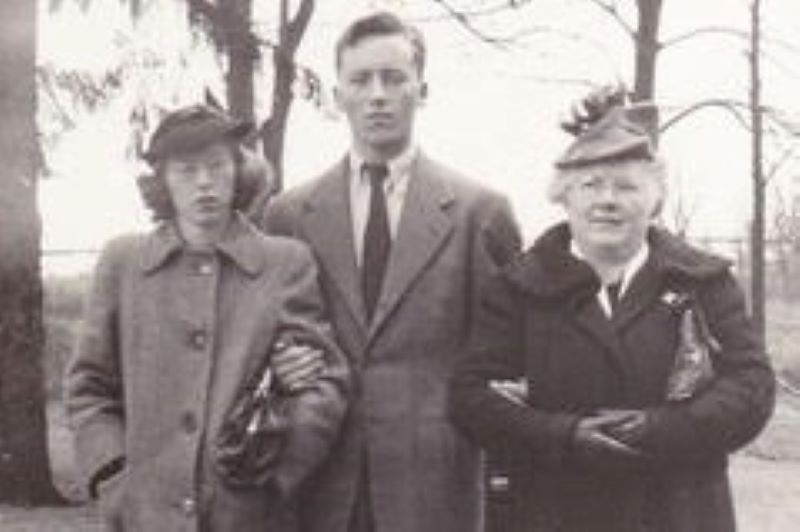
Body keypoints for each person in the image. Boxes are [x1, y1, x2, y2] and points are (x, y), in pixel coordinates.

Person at [450, 88, 775, 532]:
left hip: (678, 513)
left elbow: (752, 387)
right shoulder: (517, 288)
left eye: (626, 186)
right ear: (564, 197)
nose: (607, 200)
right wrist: (562, 435)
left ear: (655, 198)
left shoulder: (703, 282)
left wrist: (661, 428)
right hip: (551, 512)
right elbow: (469, 397)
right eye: (590, 185)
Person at [261, 11, 520, 532]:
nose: (377, 95)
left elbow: (504, 358)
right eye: (360, 80)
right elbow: (264, 337)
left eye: (394, 78)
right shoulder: (288, 214)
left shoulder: (479, 212)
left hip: (435, 485)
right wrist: (279, 366)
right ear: (338, 96)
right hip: (320, 482)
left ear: (422, 90)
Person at [66, 104, 349, 531]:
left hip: (250, 515)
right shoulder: (122, 263)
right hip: (144, 515)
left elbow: (324, 385)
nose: (204, 183)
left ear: (238, 171)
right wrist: (111, 474)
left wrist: (276, 478)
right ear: (162, 181)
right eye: (186, 170)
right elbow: (88, 387)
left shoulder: (285, 263)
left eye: (217, 166)